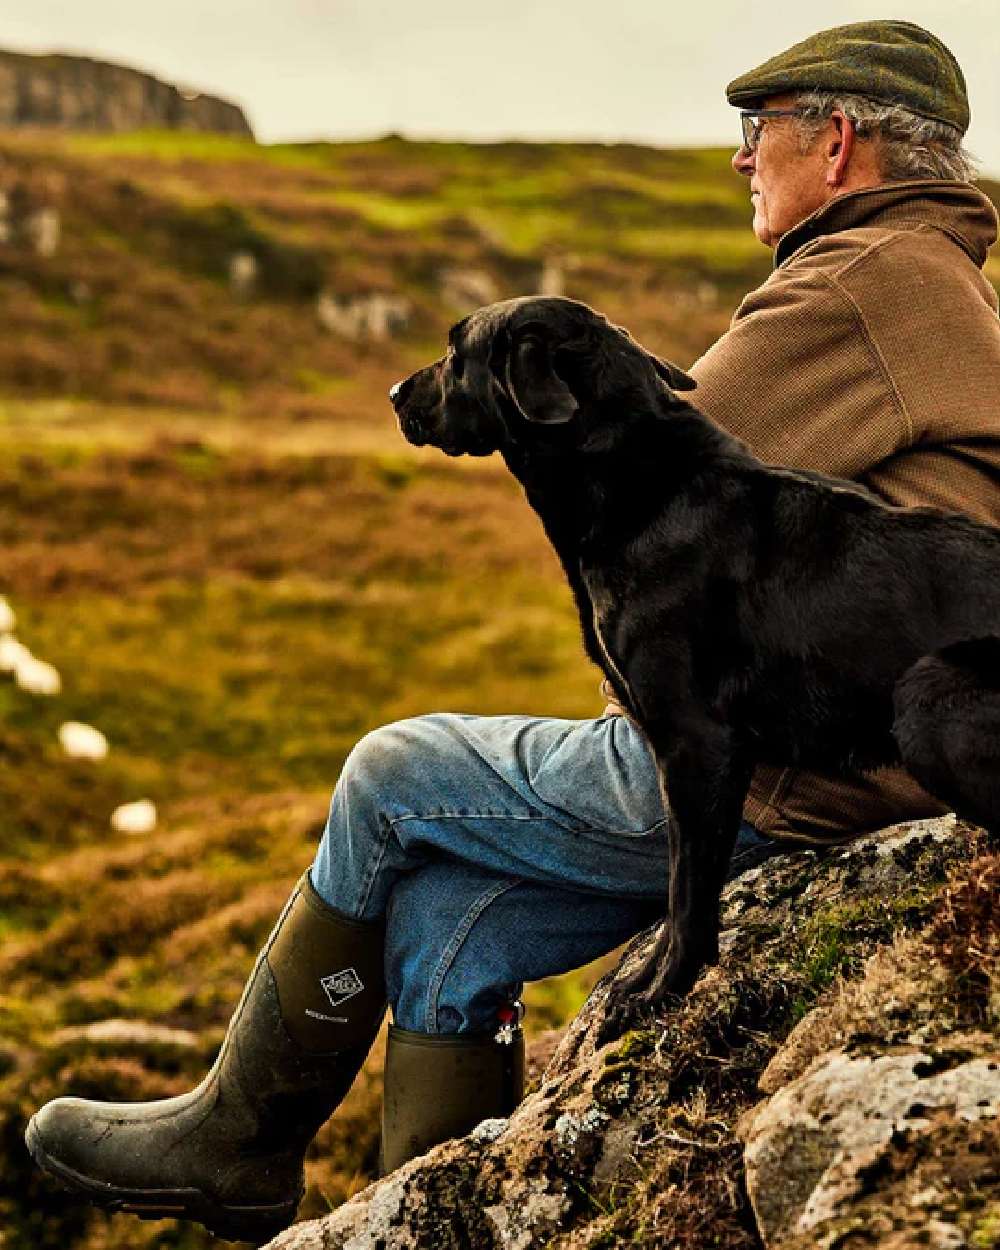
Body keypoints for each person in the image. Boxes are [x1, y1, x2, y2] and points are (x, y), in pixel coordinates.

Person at [26, 19, 1000, 1243]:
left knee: (388, 775)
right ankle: (424, 1215)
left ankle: (233, 1134)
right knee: (439, 924)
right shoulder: (930, 271)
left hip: (789, 769)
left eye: (758, 134)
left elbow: (650, 459)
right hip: (841, 748)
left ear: (838, 139)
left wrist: (505, 396)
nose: (742, 161)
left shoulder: (860, 282)